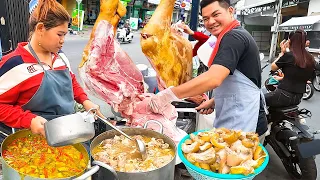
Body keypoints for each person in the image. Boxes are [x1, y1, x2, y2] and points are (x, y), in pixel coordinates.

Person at [148, 0, 268, 137]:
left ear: (230, 11)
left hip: (247, 124)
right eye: (206, 18)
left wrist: (168, 95)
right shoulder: (232, 35)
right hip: (238, 116)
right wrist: (214, 101)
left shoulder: (233, 36)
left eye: (216, 14)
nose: (211, 22)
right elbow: (239, 84)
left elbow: (213, 78)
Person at [0, 0, 102, 136]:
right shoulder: (15, 64)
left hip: (68, 130)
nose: (63, 40)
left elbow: (70, 81)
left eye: (65, 34)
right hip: (35, 139)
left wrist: (85, 101)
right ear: (40, 29)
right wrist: (29, 120)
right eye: (59, 34)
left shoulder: (60, 56)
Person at [265, 29, 315, 107]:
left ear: (290, 41)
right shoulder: (310, 58)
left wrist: (282, 52)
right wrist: (281, 78)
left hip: (282, 95)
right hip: (298, 98)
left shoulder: (289, 55)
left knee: (259, 100)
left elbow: (273, 67)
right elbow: (297, 76)